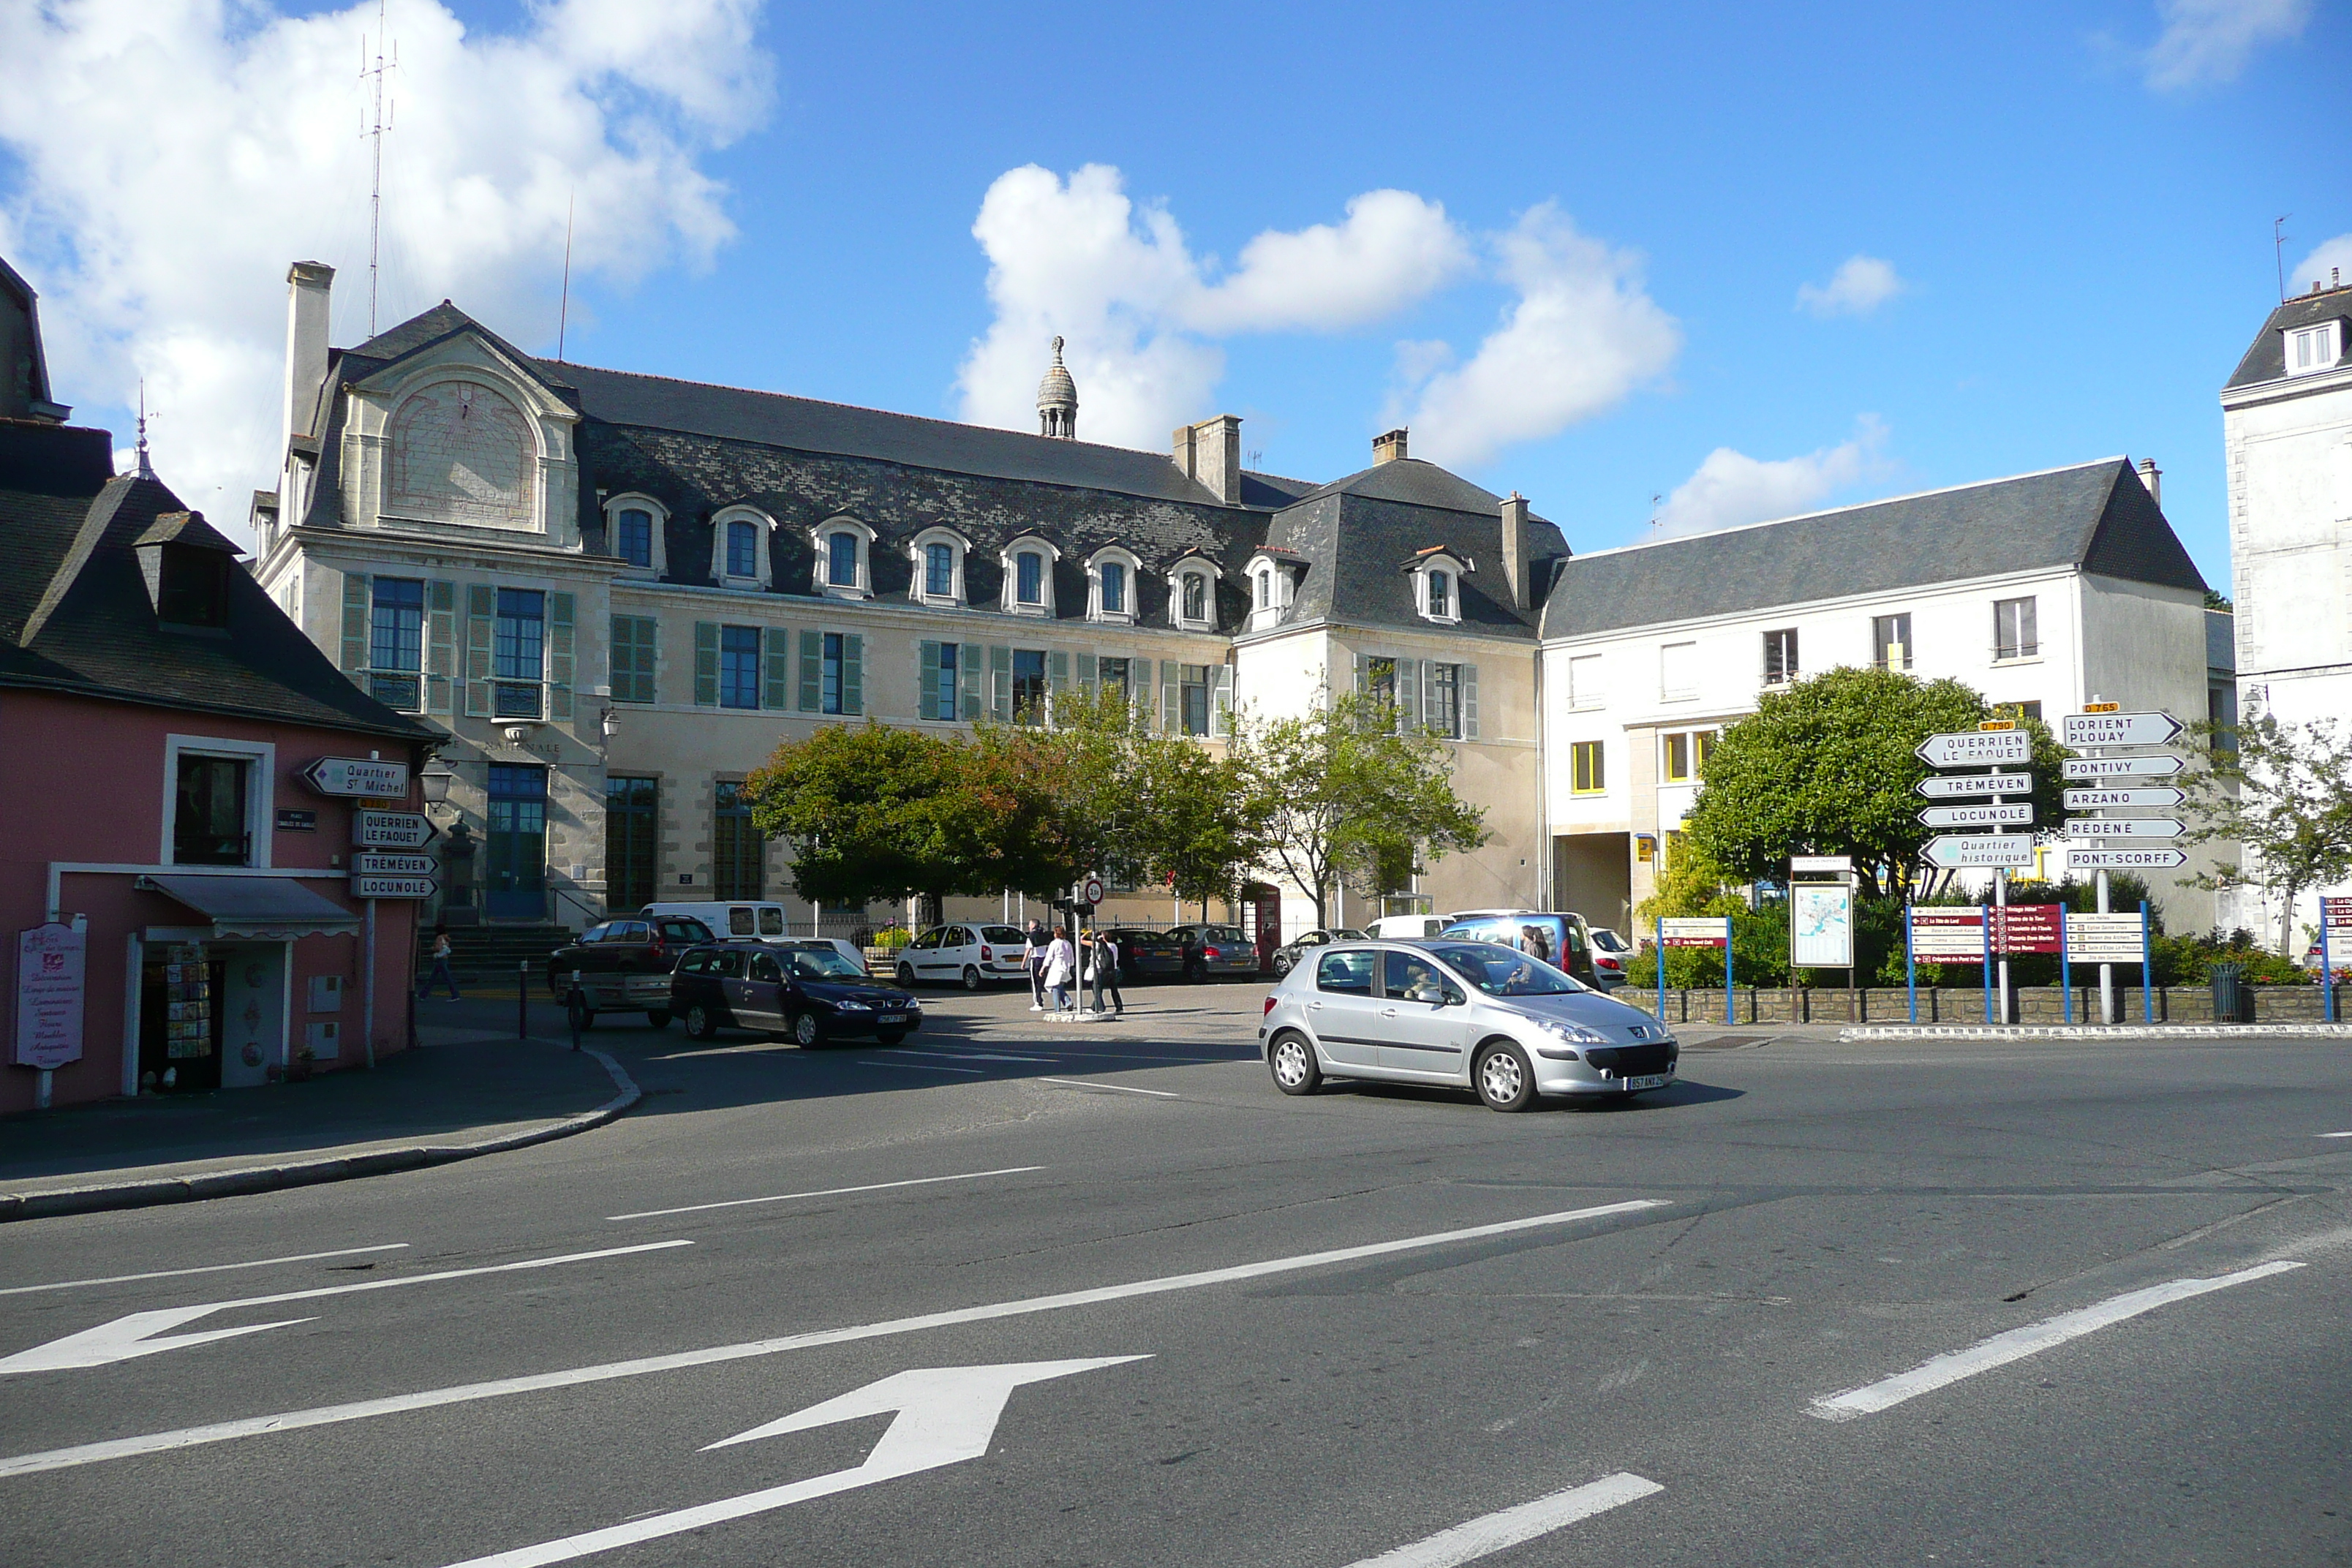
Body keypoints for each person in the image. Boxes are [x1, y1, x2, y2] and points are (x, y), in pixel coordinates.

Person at [418, 924, 460, 1000]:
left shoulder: (439, 938)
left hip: (440, 959)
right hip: (444, 958)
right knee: (435, 978)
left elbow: (438, 948)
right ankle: (423, 994)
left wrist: (432, 948)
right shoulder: (446, 937)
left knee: (442, 978)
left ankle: (455, 994)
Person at [1090, 929, 1124, 1017]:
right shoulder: (1114, 946)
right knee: (1114, 989)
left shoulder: (1101, 946)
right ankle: (1119, 1007)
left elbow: (1081, 940)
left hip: (1102, 969)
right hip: (1114, 969)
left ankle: (1100, 1007)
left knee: (1097, 988)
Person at [1044, 926, 1076, 1013]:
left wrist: (1043, 967)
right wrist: (1070, 966)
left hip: (1056, 968)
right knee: (1060, 987)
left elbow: (1049, 956)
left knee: (1055, 989)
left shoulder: (1054, 943)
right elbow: (1071, 957)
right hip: (1065, 968)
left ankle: (1057, 1009)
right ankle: (1068, 1002)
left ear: (1056, 934)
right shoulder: (1067, 943)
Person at [1023, 921, 1047, 1011]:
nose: (1028, 926)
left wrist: (1023, 962)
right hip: (1044, 960)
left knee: (1035, 983)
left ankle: (1038, 1002)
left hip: (1035, 960)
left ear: (1033, 925)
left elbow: (1028, 950)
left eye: (1029, 924)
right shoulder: (1044, 934)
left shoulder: (1031, 936)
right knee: (1042, 982)